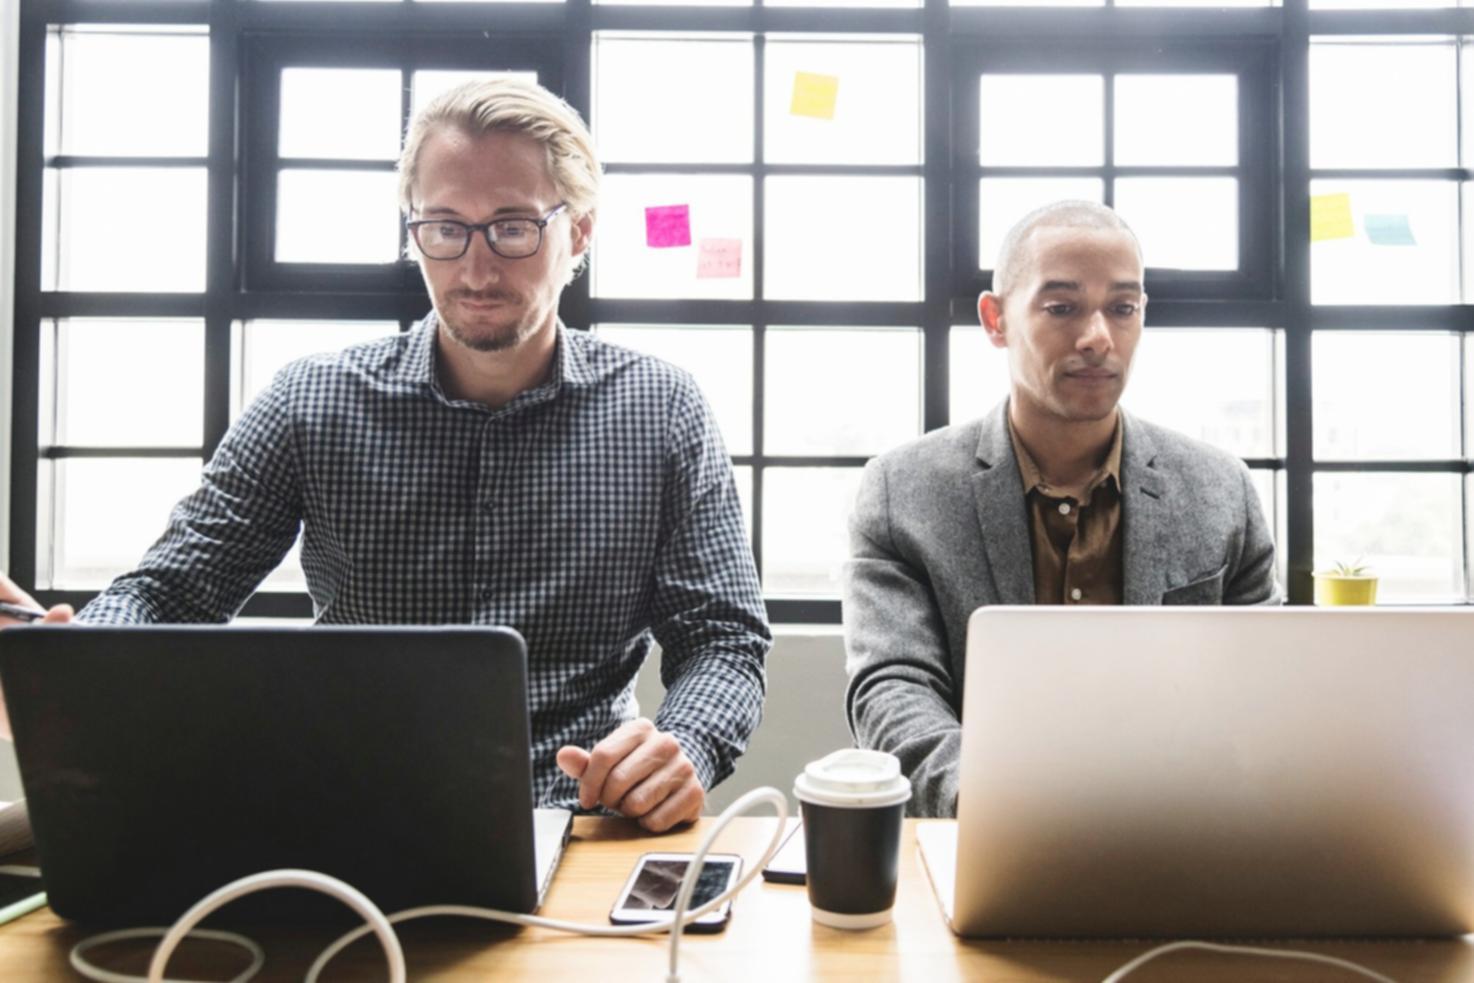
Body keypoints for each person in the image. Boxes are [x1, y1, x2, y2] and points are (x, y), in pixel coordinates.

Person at [0, 78, 770, 833]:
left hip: (582, 820)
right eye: (443, 227)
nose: (473, 269)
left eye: (511, 227)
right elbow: (172, 593)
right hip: (348, 819)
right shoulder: (313, 400)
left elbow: (723, 638)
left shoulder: (663, 410)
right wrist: (66, 667)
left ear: (580, 231)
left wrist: (685, 748)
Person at [842, 201, 1279, 818]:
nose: (1098, 337)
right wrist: (996, 806)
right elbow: (893, 689)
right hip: (981, 836)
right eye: (1062, 307)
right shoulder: (902, 490)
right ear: (996, 320)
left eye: (1122, 308)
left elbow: (1260, 693)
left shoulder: (1220, 490)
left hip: (1181, 838)